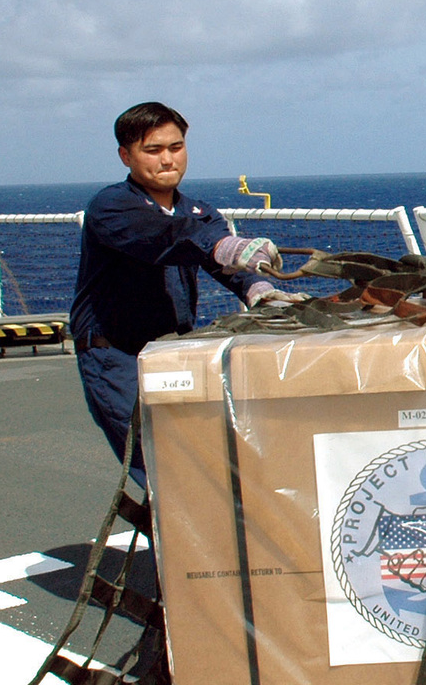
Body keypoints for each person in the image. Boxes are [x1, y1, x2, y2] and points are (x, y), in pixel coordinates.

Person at [71, 102, 301, 491]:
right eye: (153, 150)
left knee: (196, 462)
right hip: (117, 357)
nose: (167, 160)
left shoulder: (198, 211)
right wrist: (226, 246)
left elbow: (218, 261)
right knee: (164, 471)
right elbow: (164, 238)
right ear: (125, 156)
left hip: (170, 353)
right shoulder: (112, 207)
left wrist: (261, 290)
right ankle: (180, 548)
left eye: (175, 147)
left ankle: (192, 545)